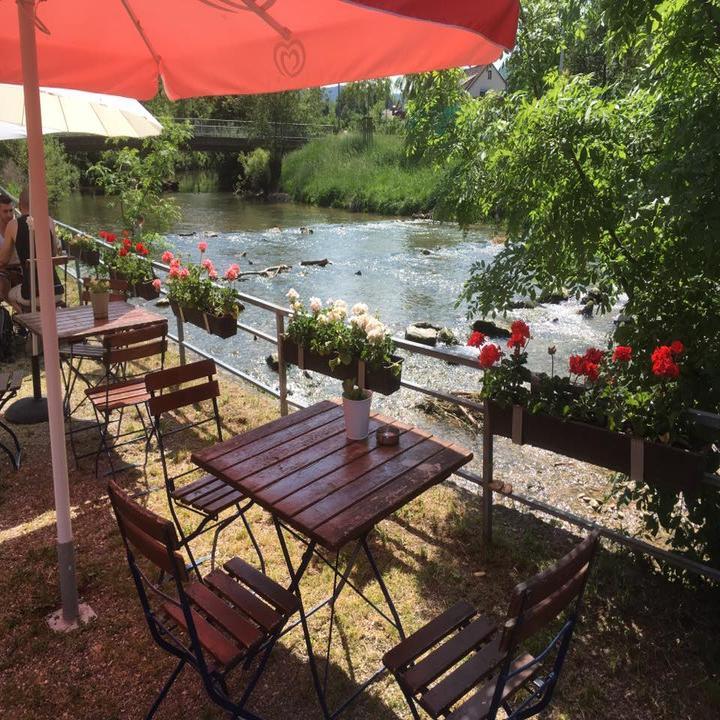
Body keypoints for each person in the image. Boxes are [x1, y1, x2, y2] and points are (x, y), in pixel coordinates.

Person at [0, 188, 63, 313]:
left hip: (32, 294)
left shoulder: (13, 225)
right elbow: (54, 254)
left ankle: (25, 321)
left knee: (11, 295)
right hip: (56, 290)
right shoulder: (49, 221)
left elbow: (4, 259)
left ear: (19, 205)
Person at [0, 193, 23, 302]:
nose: (9, 215)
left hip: (19, 269)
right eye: (5, 211)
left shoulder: (17, 225)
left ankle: (19, 314)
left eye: (11, 211)